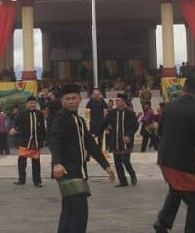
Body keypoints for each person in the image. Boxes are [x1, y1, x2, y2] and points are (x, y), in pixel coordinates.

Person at [49, 83, 115, 233]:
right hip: (67, 171)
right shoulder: (60, 118)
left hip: (78, 171)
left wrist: (106, 166)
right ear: (62, 101)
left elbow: (91, 144)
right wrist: (57, 163)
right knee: (79, 212)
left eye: (74, 98)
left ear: (80, 99)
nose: (71, 101)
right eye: (68, 99)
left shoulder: (79, 120)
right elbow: (54, 141)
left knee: (69, 210)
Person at [153, 74, 195, 233]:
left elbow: (160, 131)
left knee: (176, 191)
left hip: (164, 158)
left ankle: (162, 223)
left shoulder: (168, 106)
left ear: (184, 88)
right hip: (181, 163)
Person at [104, 92, 138, 187]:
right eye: (116, 101)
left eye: (118, 101)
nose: (116, 102)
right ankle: (123, 181)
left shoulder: (130, 113)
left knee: (125, 160)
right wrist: (101, 130)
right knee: (117, 162)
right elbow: (105, 123)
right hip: (115, 141)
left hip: (126, 141)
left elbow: (135, 126)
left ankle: (132, 174)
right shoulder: (112, 112)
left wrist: (129, 136)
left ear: (123, 102)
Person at [12, 96, 45, 187]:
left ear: (36, 104)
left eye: (34, 103)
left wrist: (43, 140)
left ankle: (37, 182)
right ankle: (21, 180)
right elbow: (16, 124)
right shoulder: (21, 114)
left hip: (36, 142)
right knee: (22, 163)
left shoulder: (39, 114)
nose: (32, 105)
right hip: (24, 142)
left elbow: (42, 128)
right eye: (30, 103)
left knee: (36, 163)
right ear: (27, 104)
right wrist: (14, 129)